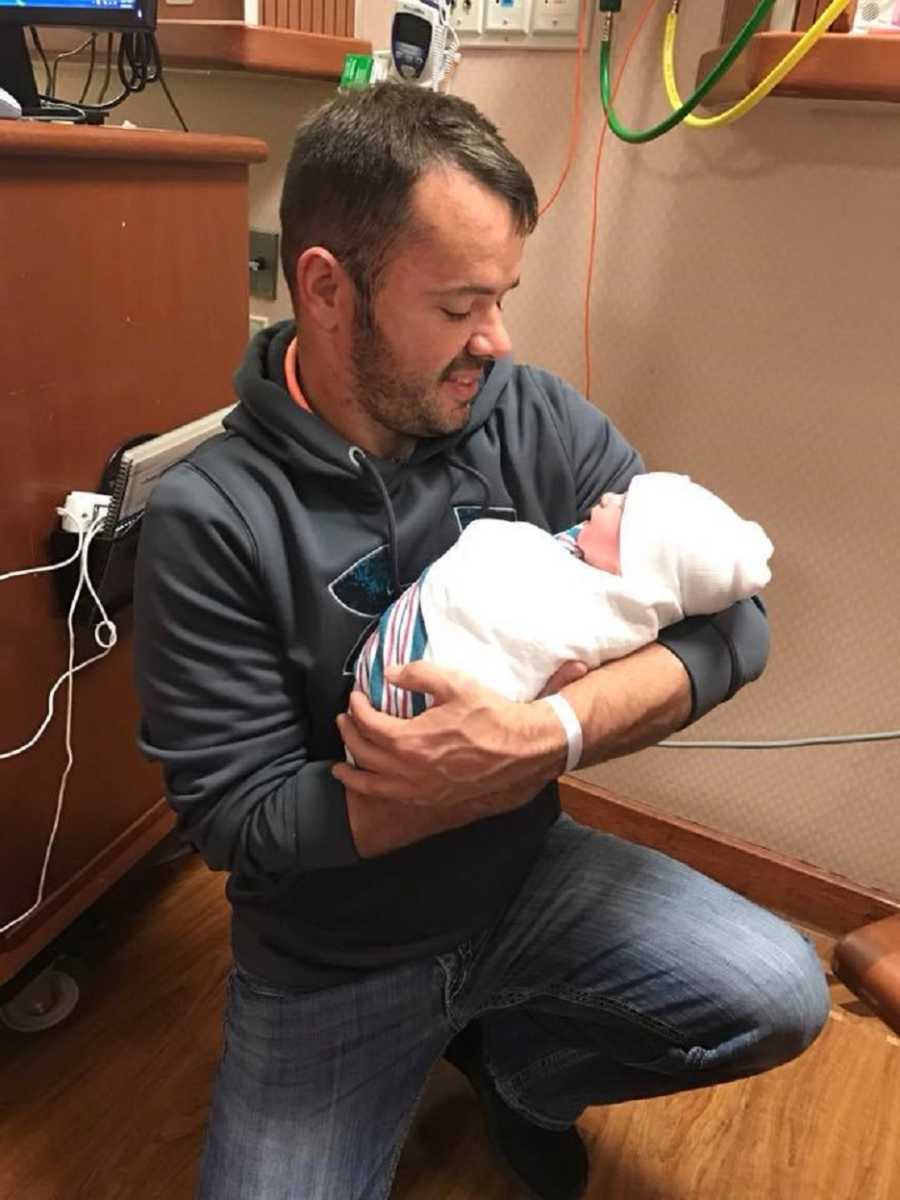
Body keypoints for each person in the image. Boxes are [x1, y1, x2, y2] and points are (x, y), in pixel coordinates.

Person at [133, 83, 829, 1200]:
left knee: (781, 996)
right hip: (331, 961)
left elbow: (734, 623)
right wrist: (431, 786)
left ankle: (526, 1071)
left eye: (502, 296)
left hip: (522, 882)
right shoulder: (209, 519)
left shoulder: (528, 415)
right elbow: (237, 824)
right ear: (325, 289)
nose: (494, 341)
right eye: (459, 306)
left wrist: (546, 735)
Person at [356, 472, 774, 717]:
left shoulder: (606, 611)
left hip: (419, 699)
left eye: (623, 506)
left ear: (635, 556)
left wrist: (555, 730)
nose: (608, 497)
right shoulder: (584, 561)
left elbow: (521, 629)